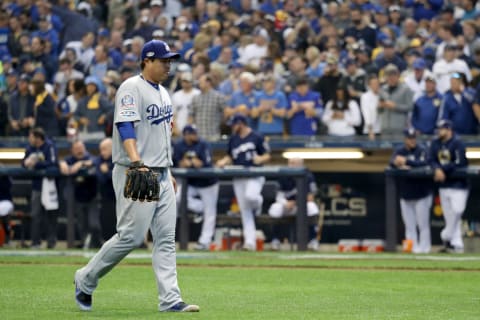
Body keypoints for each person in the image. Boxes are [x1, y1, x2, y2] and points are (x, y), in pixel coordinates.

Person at [74, 40, 199, 313]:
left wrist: (169, 170)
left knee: (165, 238)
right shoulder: (131, 87)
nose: (169, 65)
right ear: (147, 61)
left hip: (162, 172)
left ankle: (170, 300)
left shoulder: (164, 93)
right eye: (164, 60)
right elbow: (124, 126)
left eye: (170, 60)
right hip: (137, 170)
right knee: (131, 236)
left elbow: (162, 136)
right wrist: (136, 161)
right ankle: (85, 279)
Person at [216, 114, 271, 251]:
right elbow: (230, 156)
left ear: (241, 123)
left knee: (251, 197)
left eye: (234, 124)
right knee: (245, 211)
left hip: (254, 174)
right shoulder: (233, 139)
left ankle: (258, 203)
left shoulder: (257, 136)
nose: (233, 127)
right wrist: (223, 161)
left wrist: (260, 159)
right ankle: (250, 242)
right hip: (238, 175)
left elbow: (267, 155)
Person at [173, 125, 219, 251]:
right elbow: (177, 163)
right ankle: (200, 208)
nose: (195, 135)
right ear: (186, 135)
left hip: (208, 183)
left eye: (195, 133)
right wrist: (185, 163)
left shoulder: (203, 144)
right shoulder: (179, 145)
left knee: (210, 213)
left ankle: (204, 242)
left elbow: (205, 164)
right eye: (192, 133)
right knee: (177, 197)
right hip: (191, 183)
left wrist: (193, 163)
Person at [390, 128, 433, 253]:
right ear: (405, 139)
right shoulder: (400, 150)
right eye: (409, 138)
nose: (412, 140)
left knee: (423, 225)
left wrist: (407, 162)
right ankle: (412, 248)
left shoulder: (422, 150)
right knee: (409, 225)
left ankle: (425, 249)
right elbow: (392, 162)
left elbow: (425, 163)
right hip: (405, 194)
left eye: (413, 138)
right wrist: (398, 163)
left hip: (421, 194)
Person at [429, 120, 469, 253]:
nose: (439, 131)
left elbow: (460, 162)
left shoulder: (457, 143)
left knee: (457, 211)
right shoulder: (436, 143)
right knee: (449, 216)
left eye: (442, 128)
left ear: (449, 129)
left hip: (458, 184)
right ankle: (456, 244)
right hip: (444, 185)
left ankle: (446, 234)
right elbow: (431, 159)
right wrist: (437, 169)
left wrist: (442, 170)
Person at [268, 158, 320, 251]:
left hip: (302, 206)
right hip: (287, 206)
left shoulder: (308, 176)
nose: (291, 165)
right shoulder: (283, 175)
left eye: (294, 163)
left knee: (312, 207)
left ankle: (313, 240)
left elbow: (311, 197)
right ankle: (275, 240)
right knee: (275, 208)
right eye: (290, 163)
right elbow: (279, 196)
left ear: (300, 165)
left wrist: (297, 202)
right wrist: (285, 203)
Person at [59, 140, 101, 249]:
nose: (79, 151)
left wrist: (80, 163)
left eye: (81, 148)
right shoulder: (70, 159)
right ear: (72, 150)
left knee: (94, 224)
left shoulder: (90, 157)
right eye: (76, 149)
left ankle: (97, 243)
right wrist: (62, 163)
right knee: (81, 224)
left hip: (92, 196)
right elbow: (62, 163)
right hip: (77, 197)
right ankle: (85, 244)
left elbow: (95, 161)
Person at [22, 128, 59, 249]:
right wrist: (26, 163)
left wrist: (36, 164)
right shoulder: (30, 148)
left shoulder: (49, 146)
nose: (29, 139)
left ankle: (51, 242)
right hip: (37, 186)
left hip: (49, 184)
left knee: (51, 214)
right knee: (35, 214)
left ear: (38, 138)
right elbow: (23, 162)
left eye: (31, 136)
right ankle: (35, 242)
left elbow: (53, 162)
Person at [94, 138, 115, 240]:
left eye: (104, 149)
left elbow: (117, 177)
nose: (102, 152)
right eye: (100, 150)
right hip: (105, 198)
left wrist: (107, 172)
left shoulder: (118, 159)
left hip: (119, 198)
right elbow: (101, 179)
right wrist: (107, 173)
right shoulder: (99, 160)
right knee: (106, 223)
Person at [0, 167, 13, 247]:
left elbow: (9, 185)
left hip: (5, 202)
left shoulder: (6, 179)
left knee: (3, 211)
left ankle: (7, 239)